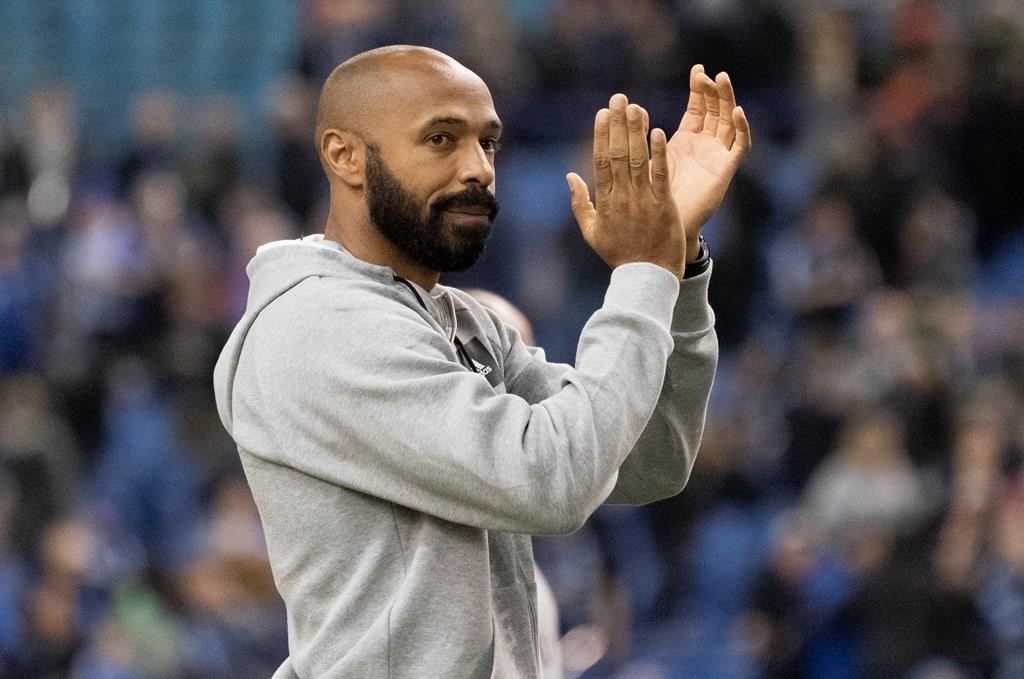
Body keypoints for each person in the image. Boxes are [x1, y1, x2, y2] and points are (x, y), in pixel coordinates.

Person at [213, 44, 749, 678]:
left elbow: (647, 458)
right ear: (343, 155)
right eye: (441, 139)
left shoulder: (459, 319)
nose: (478, 169)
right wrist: (642, 271)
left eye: (488, 144)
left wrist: (677, 262)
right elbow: (554, 480)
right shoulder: (320, 326)